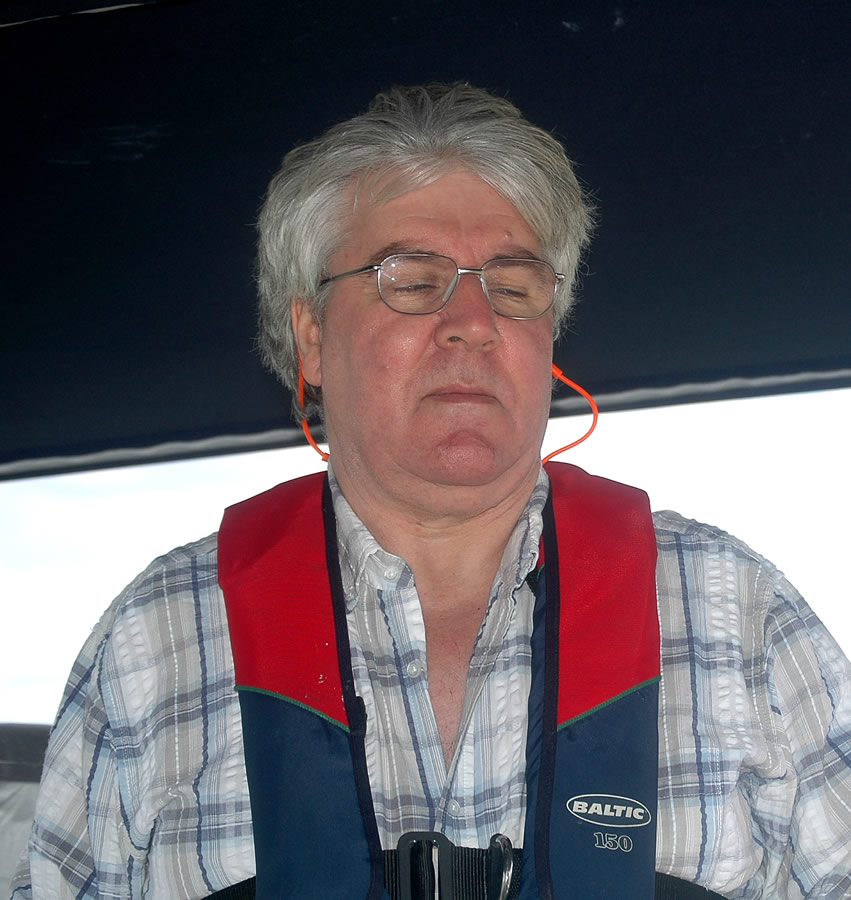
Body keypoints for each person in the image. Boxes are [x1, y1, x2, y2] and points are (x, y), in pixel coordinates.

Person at [11, 84, 851, 900]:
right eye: (412, 280)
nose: (474, 322)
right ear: (310, 336)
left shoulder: (734, 607)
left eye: (512, 287)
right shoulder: (155, 639)